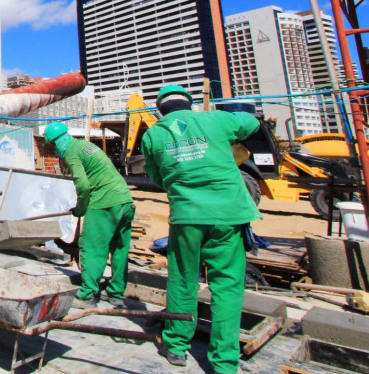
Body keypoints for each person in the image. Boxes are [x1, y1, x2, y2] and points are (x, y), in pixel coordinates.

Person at [141, 85, 260, 372]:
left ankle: (176, 346)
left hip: (186, 216)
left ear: (160, 110)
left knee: (183, 279)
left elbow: (158, 176)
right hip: (228, 215)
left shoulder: (153, 134)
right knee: (227, 287)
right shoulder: (215, 119)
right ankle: (224, 362)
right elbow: (252, 123)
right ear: (189, 104)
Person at [43, 122, 134, 308]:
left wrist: (80, 208)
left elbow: (82, 184)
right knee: (119, 249)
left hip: (104, 202)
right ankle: (116, 294)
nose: (54, 152)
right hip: (125, 201)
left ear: (54, 143)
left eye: (52, 147)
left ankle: (87, 295)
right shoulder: (85, 145)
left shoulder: (70, 151)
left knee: (92, 247)